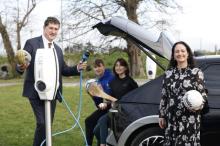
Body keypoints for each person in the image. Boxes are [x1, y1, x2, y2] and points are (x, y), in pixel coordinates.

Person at [16, 17, 87, 146]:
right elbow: (23, 61)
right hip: (35, 91)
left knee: (48, 125)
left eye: (56, 29)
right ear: (44, 28)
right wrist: (21, 66)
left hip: (53, 92)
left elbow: (64, 69)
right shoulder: (32, 43)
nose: (53, 31)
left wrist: (77, 68)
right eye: (51, 28)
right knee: (42, 123)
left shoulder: (58, 50)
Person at [159, 41, 208, 146]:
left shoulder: (196, 73)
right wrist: (162, 115)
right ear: (173, 55)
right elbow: (164, 96)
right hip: (172, 119)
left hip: (190, 119)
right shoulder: (168, 74)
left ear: (188, 54)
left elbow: (203, 95)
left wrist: (198, 107)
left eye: (182, 51)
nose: (180, 53)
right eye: (177, 51)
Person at [94, 58, 138, 146]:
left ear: (125, 68)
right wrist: (102, 95)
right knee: (96, 131)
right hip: (114, 110)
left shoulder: (130, 82)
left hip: (125, 112)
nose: (118, 67)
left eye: (121, 65)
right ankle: (105, 143)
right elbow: (110, 98)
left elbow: (136, 97)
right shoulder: (113, 81)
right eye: (117, 65)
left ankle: (103, 144)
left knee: (102, 120)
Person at [85, 59, 114, 146]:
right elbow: (99, 105)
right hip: (104, 108)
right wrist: (92, 95)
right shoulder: (97, 81)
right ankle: (89, 143)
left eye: (99, 66)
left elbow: (112, 95)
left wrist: (102, 93)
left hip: (112, 107)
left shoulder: (111, 77)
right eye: (95, 67)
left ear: (103, 66)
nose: (97, 69)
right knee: (89, 121)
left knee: (92, 121)